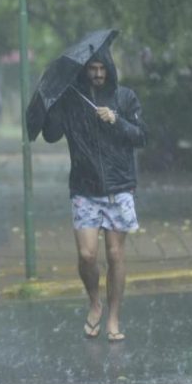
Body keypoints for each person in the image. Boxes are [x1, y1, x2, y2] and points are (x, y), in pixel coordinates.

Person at [42, 43, 147, 342]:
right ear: (84, 71)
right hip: (84, 189)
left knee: (115, 255)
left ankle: (114, 316)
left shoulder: (125, 97)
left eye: (102, 69)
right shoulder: (72, 100)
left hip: (119, 187)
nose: (98, 74)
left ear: (109, 69)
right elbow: (50, 135)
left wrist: (117, 120)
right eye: (92, 69)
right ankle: (94, 302)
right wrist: (53, 106)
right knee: (87, 255)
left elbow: (142, 136)